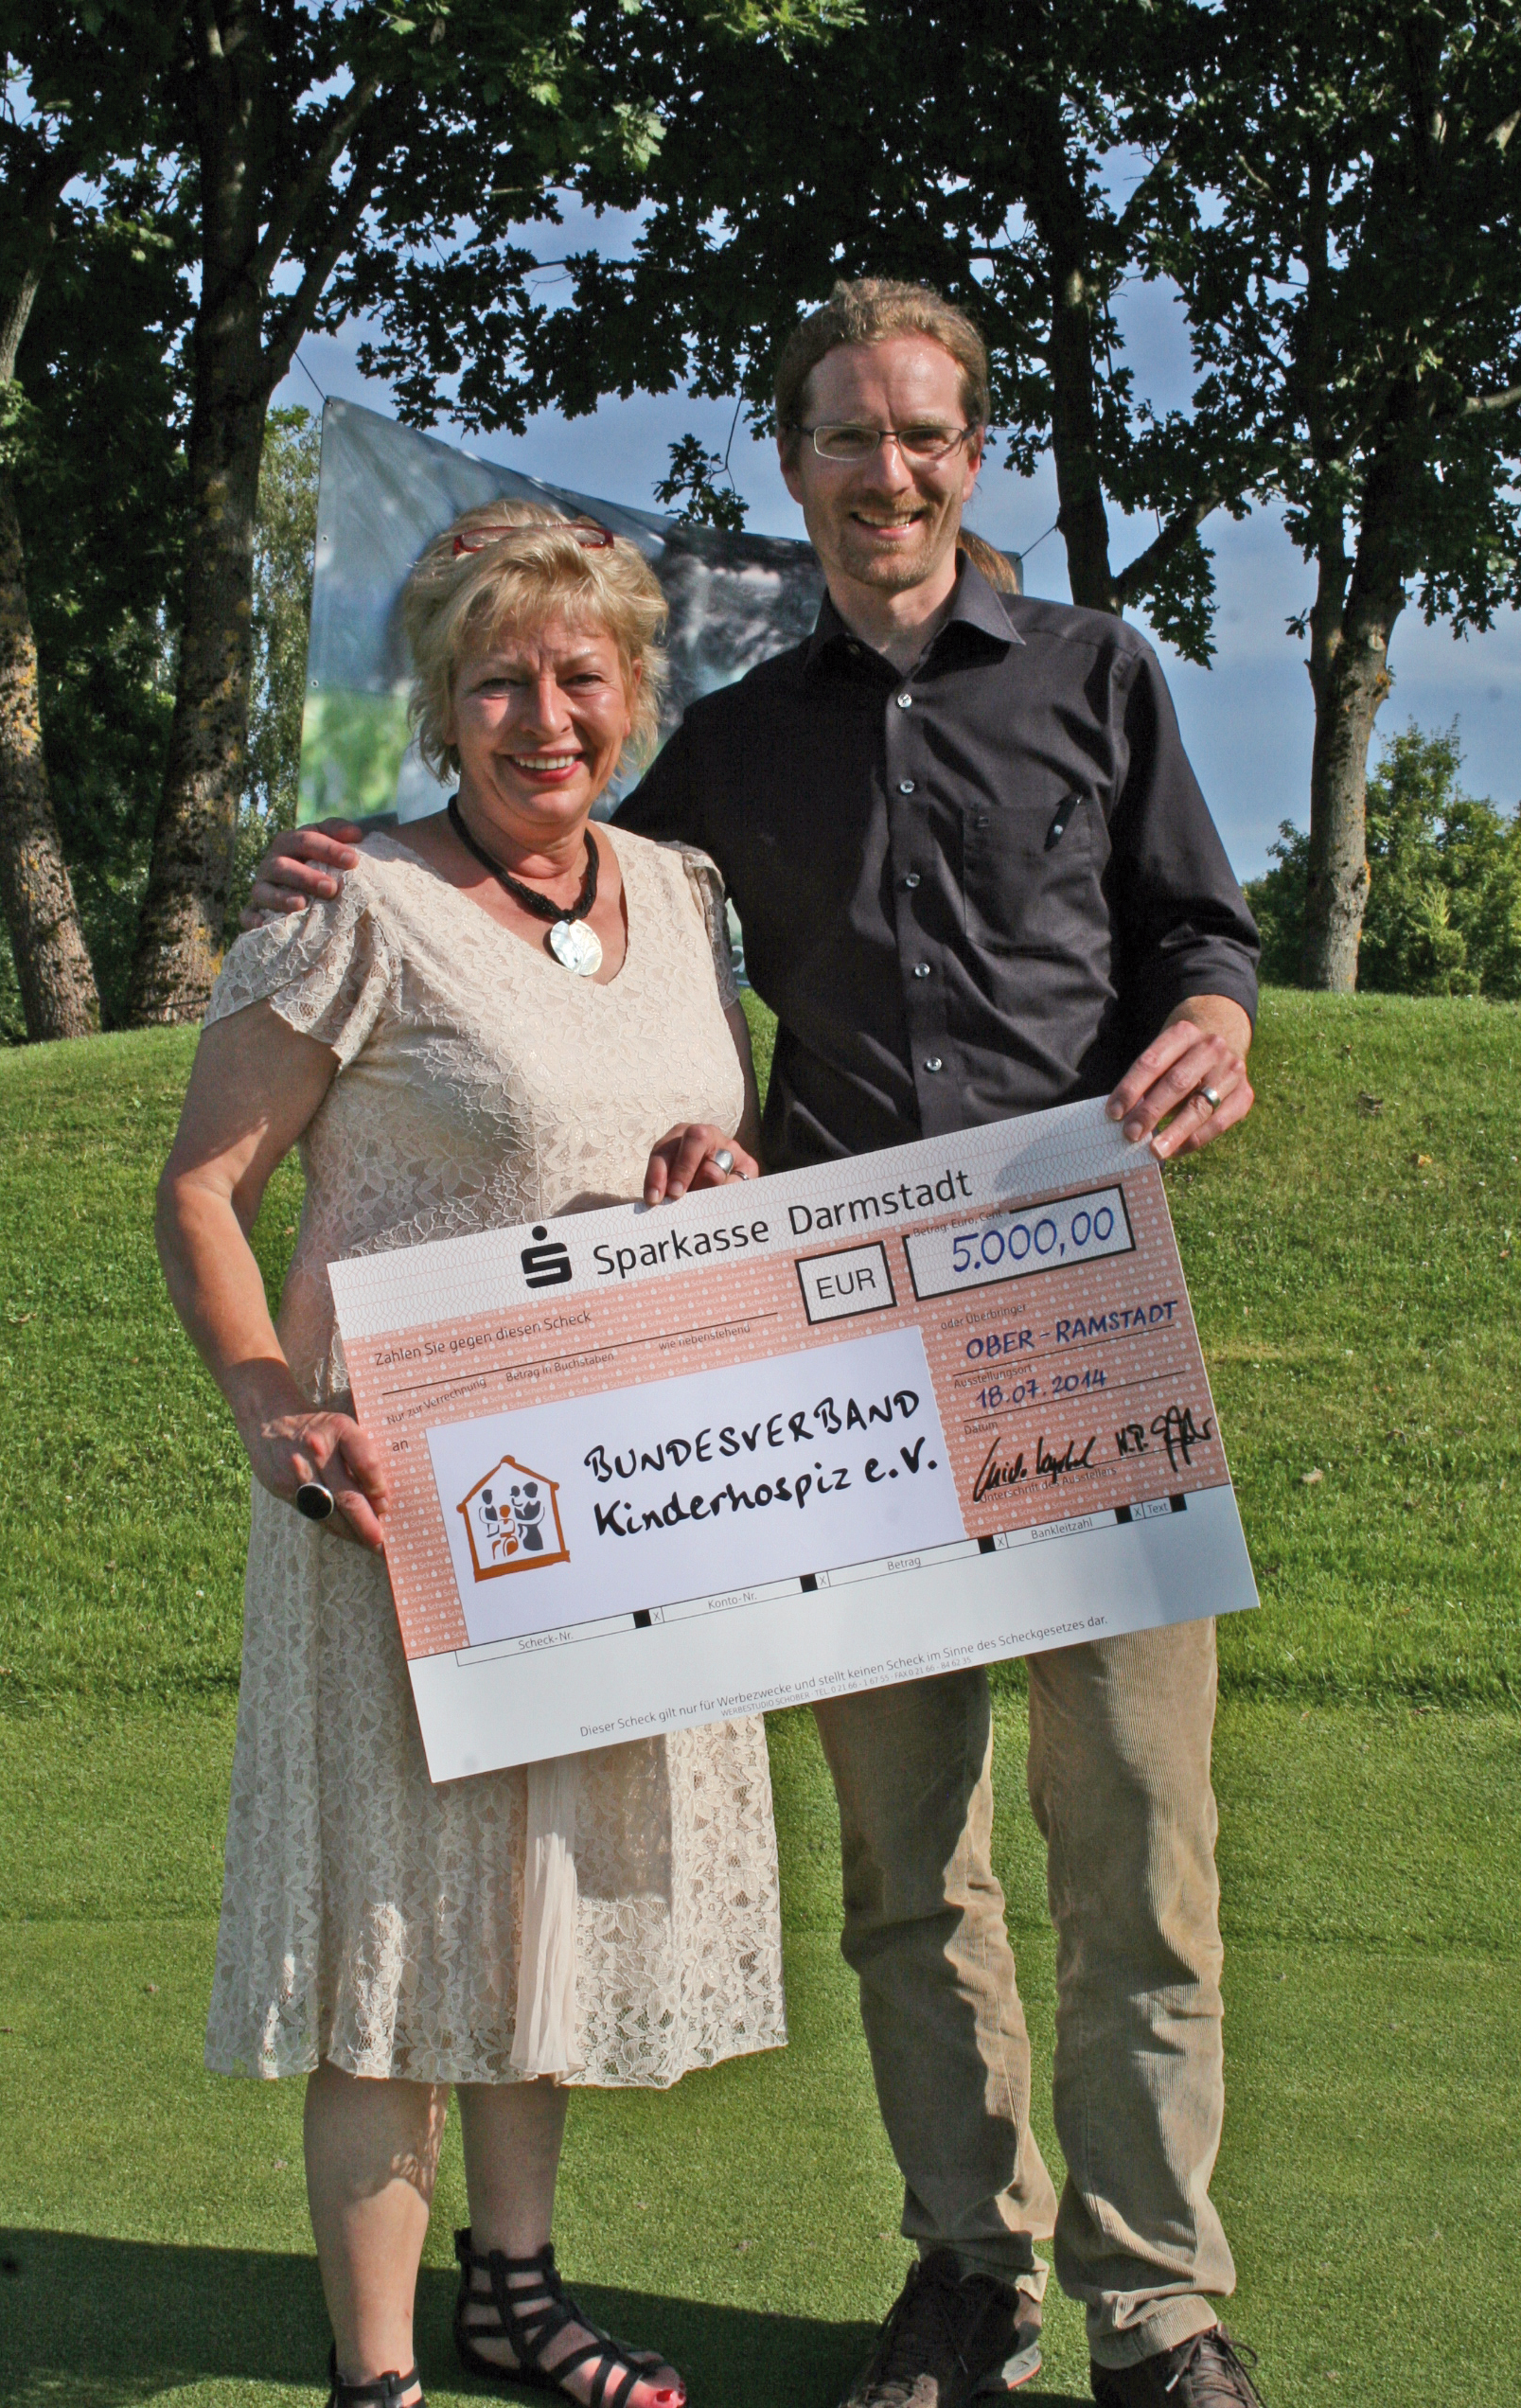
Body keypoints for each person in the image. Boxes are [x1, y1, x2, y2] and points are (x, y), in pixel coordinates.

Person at [250, 281, 1266, 2408]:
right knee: (908, 1866)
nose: (887, 472)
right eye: (846, 437)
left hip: (1068, 1312)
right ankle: (967, 2270)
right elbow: (547, 830)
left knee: (1138, 1846)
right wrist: (353, 852)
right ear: (792, 463)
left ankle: (1159, 2308)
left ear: (968, 453)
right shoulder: (727, 740)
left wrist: (1213, 1012)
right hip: (834, 1355)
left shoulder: (1096, 671)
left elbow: (1196, 928)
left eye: (923, 434)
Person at [157, 500, 787, 2408]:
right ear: (440, 707)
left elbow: (702, 1133)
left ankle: (514, 2293)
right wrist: (271, 1405)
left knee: (539, 1900)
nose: (543, 716)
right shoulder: (349, 901)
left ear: (635, 693)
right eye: (497, 681)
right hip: (396, 1495)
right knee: (396, 1921)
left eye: (579, 676)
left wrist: (718, 1169)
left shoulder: (683, 895)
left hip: (616, 1485)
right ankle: (379, 2374)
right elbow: (202, 1190)